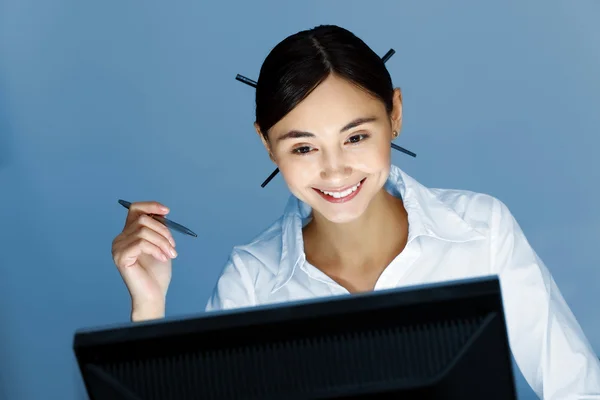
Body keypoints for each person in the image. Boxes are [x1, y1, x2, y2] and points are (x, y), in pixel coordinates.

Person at [111, 25, 600, 398]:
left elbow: (577, 386)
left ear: (396, 115)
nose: (335, 170)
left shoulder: (481, 231)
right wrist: (148, 311)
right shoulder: (252, 280)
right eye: (303, 148)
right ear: (267, 145)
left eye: (356, 137)